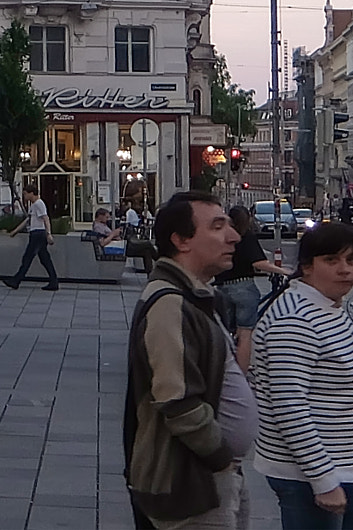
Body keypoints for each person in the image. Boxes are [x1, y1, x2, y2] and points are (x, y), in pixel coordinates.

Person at [123, 192, 250, 530]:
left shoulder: (195, 297)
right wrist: (220, 457)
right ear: (181, 240)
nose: (234, 236)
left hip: (206, 476)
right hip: (191, 484)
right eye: (218, 226)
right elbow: (176, 400)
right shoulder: (170, 304)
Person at [251, 221, 353, 530]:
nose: (344, 270)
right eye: (331, 260)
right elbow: (290, 406)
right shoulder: (295, 320)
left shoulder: (327, 308)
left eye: (352, 260)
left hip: (339, 466)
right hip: (307, 473)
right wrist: (322, 479)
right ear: (307, 267)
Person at [215, 204, 283, 368]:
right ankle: (242, 372)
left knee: (226, 331)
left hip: (222, 287)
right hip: (243, 287)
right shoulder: (246, 237)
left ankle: (225, 368)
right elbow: (259, 263)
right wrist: (284, 271)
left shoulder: (221, 236)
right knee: (245, 334)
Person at [3, 187, 59, 292]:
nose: (24, 196)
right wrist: (15, 231)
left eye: (25, 194)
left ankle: (16, 280)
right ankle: (53, 281)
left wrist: (49, 234)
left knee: (27, 258)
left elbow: (46, 218)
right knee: (45, 259)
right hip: (37, 233)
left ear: (32, 193)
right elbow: (28, 220)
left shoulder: (39, 204)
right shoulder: (34, 205)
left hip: (38, 234)